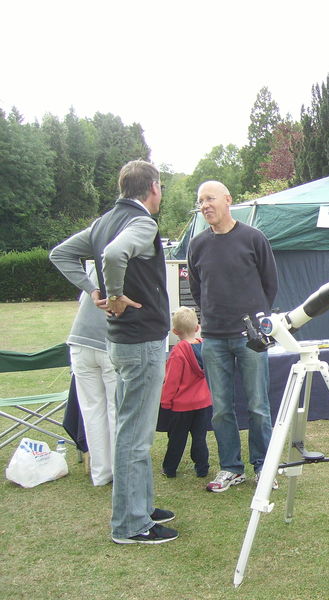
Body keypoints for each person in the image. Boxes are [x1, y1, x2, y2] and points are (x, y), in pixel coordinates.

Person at [48, 159, 177, 543]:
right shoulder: (141, 223)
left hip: (123, 342)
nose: (162, 193)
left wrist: (93, 290)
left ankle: (141, 506)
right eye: (161, 187)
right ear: (152, 187)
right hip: (139, 341)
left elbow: (60, 254)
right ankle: (130, 525)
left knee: (131, 429)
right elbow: (115, 255)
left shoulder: (104, 222)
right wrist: (114, 294)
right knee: (135, 435)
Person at [188, 180, 278, 492]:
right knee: (222, 409)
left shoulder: (253, 238)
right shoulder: (197, 245)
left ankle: (264, 467)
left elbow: (270, 285)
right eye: (200, 201)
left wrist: (256, 320)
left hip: (250, 337)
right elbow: (198, 291)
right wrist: (214, 317)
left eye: (210, 199)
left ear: (228, 200)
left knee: (257, 406)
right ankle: (231, 468)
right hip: (213, 339)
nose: (205, 205)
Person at [48, 261, 116, 486]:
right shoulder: (130, 263)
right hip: (109, 343)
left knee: (93, 411)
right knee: (115, 409)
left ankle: (101, 472)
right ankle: (118, 470)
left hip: (80, 341)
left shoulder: (96, 264)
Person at [159, 307, 211, 478]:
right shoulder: (206, 347)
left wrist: (165, 402)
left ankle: (170, 468)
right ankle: (202, 468)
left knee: (176, 439)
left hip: (181, 406)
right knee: (200, 438)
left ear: (174, 331)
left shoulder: (177, 353)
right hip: (203, 403)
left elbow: (171, 381)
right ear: (197, 328)